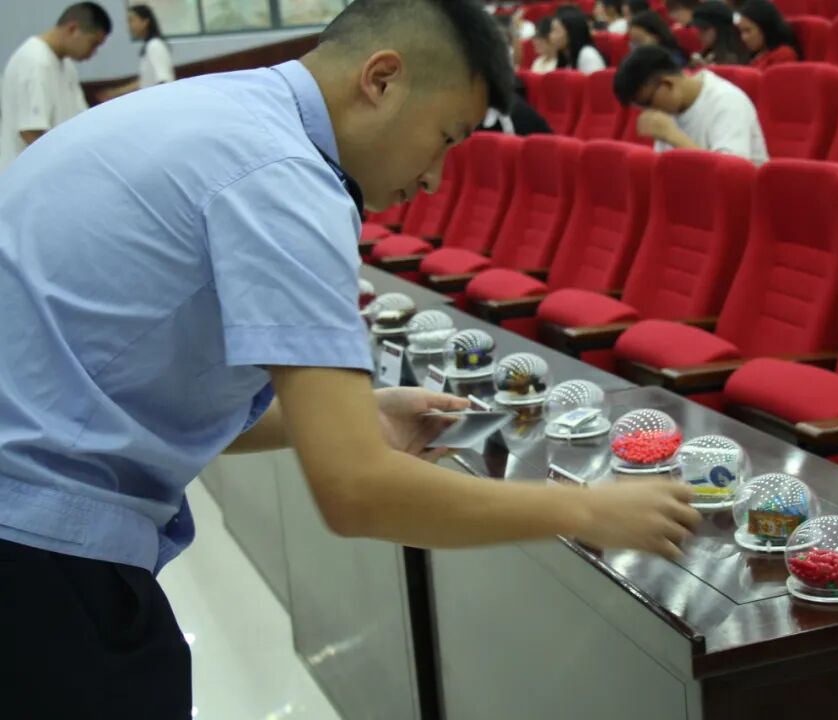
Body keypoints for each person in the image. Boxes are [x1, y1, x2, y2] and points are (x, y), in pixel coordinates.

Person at [0, 0, 699, 715]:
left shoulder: (222, 110)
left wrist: (358, 414)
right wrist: (587, 509)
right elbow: (357, 492)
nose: (435, 179)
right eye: (445, 139)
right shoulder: (285, 176)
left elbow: (157, 397)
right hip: (38, 555)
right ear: (382, 79)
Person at [0, 2, 111, 173]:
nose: (93, 53)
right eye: (93, 43)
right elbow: (31, 132)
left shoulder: (66, 64)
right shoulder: (34, 61)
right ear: (73, 29)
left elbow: (80, 118)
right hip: (29, 175)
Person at [614, 45, 767, 165]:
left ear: (668, 83)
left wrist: (672, 135)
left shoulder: (727, 101)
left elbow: (729, 175)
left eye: (648, 103)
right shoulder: (670, 108)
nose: (649, 111)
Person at [98, 5, 175, 102]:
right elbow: (144, 81)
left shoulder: (155, 45)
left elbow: (164, 80)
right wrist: (115, 92)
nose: (129, 26)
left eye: (131, 20)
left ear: (145, 22)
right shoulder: (150, 46)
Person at [737, 0, 801, 69]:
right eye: (741, 32)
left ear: (765, 27)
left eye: (748, 31)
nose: (743, 38)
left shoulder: (783, 55)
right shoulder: (754, 55)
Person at [551, 5, 607, 74]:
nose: (551, 36)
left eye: (556, 31)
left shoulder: (588, 55)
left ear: (571, 32)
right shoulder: (565, 57)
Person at [689, 1, 748, 66]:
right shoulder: (705, 54)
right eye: (698, 30)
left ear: (720, 29)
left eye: (704, 30)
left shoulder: (733, 59)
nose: (699, 35)